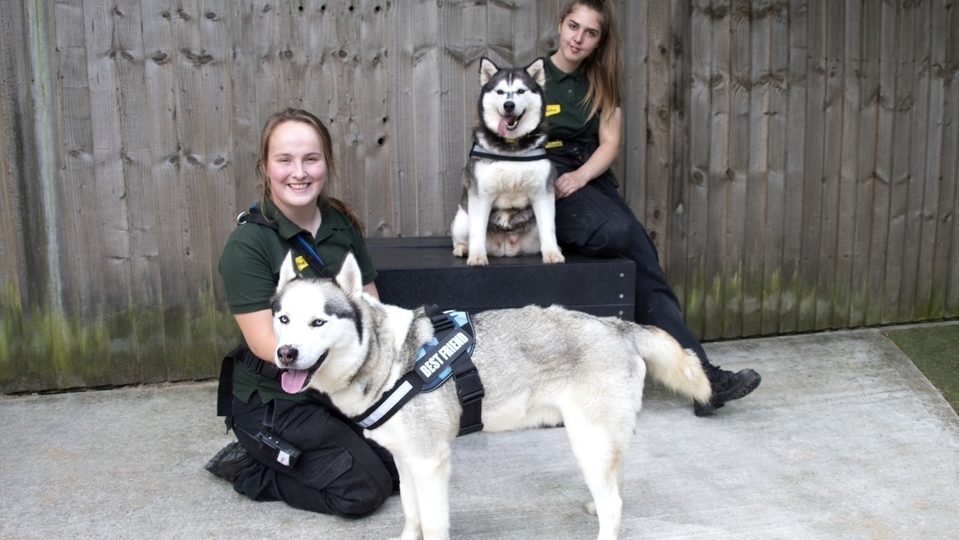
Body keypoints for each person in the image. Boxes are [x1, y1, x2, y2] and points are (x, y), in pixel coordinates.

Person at [543, 0, 761, 416]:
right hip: (546, 178)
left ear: (599, 41)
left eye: (590, 33)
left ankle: (705, 381)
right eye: (574, 26)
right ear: (560, 25)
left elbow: (610, 143)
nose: (578, 38)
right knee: (616, 234)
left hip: (586, 177)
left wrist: (581, 177)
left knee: (647, 268)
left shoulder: (601, 81)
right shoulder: (533, 77)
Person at [204, 108, 398, 516]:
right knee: (363, 492)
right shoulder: (249, 246)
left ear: (326, 163)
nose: (299, 172)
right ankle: (251, 465)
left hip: (336, 383)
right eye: (284, 160)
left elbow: (371, 310)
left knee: (404, 464)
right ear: (265, 168)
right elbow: (265, 345)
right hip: (279, 397)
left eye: (311, 159)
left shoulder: (341, 225)